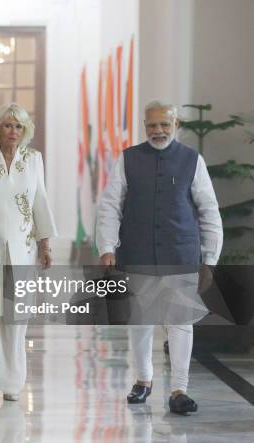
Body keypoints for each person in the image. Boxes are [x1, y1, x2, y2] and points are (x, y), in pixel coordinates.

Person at [96, 100, 223, 414]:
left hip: (181, 252)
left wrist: (211, 257)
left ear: (175, 125)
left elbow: (209, 210)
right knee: (140, 322)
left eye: (165, 124)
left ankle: (179, 389)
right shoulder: (128, 159)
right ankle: (143, 381)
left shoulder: (192, 160)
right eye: (152, 125)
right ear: (144, 125)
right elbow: (111, 205)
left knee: (180, 322)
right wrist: (107, 247)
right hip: (137, 251)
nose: (158, 130)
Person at [0, 103, 57, 401]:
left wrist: (44, 242)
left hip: (23, 247)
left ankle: (12, 384)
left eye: (18, 126)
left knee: (16, 320)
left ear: (25, 130)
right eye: (7, 125)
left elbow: (39, 199)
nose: (13, 131)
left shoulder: (33, 159)